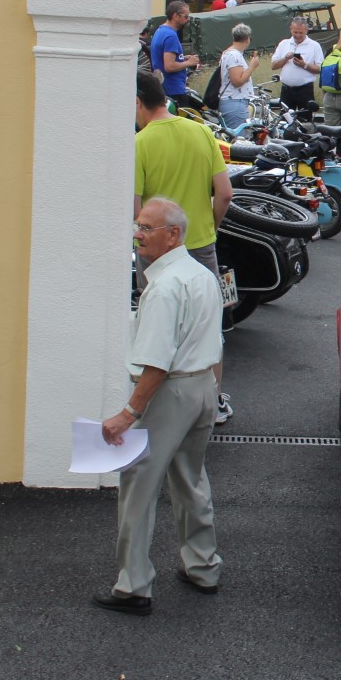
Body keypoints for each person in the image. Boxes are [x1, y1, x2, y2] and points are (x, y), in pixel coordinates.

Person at [93, 197, 225, 616]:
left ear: (173, 235)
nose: (138, 234)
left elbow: (156, 364)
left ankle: (133, 587)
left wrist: (127, 415)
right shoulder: (202, 275)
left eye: (147, 228)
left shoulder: (164, 288)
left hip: (171, 394)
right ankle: (203, 567)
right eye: (138, 226)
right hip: (204, 385)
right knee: (190, 478)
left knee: (138, 485)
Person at [133, 72, 234, 424]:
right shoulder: (201, 131)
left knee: (159, 326)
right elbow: (224, 193)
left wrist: (140, 241)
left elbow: (136, 210)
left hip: (158, 254)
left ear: (138, 102)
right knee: (208, 325)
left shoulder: (140, 143)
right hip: (201, 245)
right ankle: (213, 402)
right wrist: (210, 229)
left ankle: (158, 401)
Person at [150, 1, 198, 114]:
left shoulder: (160, 31)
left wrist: (182, 58)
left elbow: (163, 58)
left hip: (163, 87)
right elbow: (169, 66)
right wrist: (189, 62)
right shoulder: (170, 35)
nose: (187, 20)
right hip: (174, 89)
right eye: (186, 16)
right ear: (175, 16)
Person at [270, 16, 323, 117]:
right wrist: (285, 58)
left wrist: (304, 65)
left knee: (305, 121)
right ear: (291, 29)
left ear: (306, 30)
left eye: (301, 33)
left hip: (305, 90)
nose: (298, 35)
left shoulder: (314, 45)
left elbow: (320, 69)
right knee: (285, 121)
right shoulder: (284, 44)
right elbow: (273, 66)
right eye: (295, 32)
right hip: (286, 90)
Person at [216, 23, 262, 132]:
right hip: (235, 102)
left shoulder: (229, 53)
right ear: (247, 39)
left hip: (234, 101)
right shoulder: (234, 55)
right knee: (239, 139)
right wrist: (252, 66)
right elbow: (237, 81)